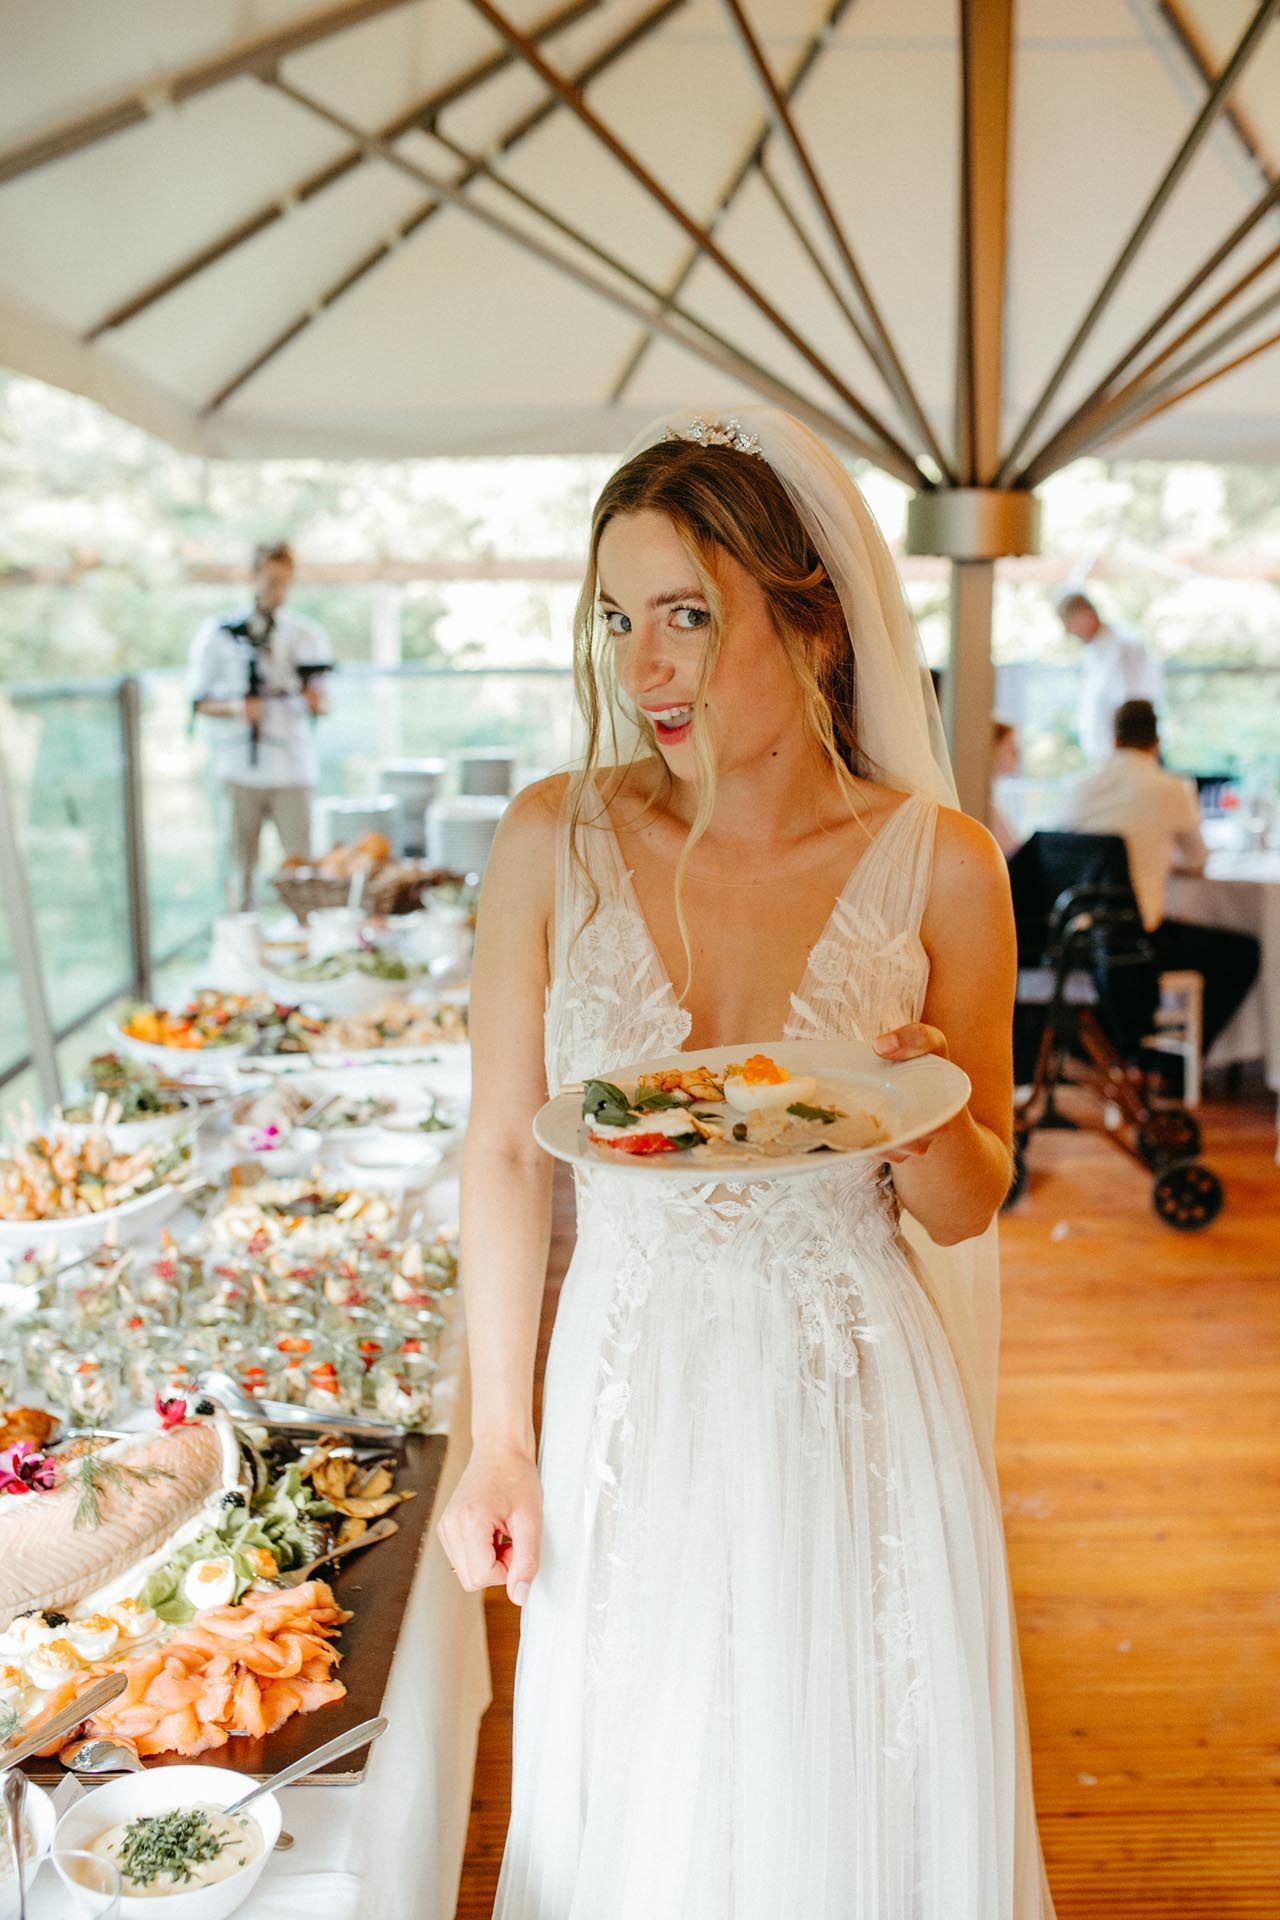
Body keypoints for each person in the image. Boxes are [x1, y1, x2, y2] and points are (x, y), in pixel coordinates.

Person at [439, 409, 1057, 1917]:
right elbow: (508, 1159)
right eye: (617, 620)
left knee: (844, 1780)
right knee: (642, 1785)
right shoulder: (551, 836)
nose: (645, 668)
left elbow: (972, 1207)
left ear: (819, 622)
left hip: (847, 1390)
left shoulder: (948, 865)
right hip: (625, 1388)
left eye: (691, 618)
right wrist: (501, 1441)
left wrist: (921, 1108)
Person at [1064, 698, 1259, 1055]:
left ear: (1115, 740)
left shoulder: (1080, 787)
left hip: (1077, 937)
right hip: (1136, 940)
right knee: (1243, 953)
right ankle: (1175, 1066)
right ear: (1156, 741)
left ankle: (1126, 1053)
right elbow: (1198, 861)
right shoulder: (1170, 788)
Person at [188, 540, 334, 909]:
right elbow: (199, 701)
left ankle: (309, 949)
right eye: (271, 581)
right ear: (253, 576)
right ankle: (238, 948)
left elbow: (325, 701)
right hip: (240, 768)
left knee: (302, 870)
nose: (278, 591)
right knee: (240, 869)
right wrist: (240, 708)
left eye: (285, 582)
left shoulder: (307, 635)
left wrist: (309, 699)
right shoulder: (219, 634)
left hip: (292, 768)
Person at [1057, 588, 1162, 762]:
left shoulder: (1123, 647)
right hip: (1109, 757)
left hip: (1128, 757)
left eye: (1069, 624)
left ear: (1085, 615)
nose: (1070, 632)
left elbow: (1132, 707)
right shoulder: (1095, 651)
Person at [989, 715, 1023, 857]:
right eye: (1011, 749)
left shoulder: (993, 797)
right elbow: (1013, 851)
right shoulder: (985, 805)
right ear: (993, 748)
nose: (1018, 757)